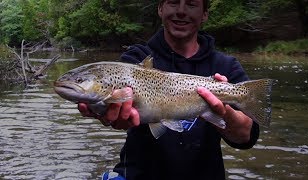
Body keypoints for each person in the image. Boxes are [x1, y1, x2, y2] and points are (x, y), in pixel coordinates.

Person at [78, 0, 259, 179]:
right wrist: (109, 113)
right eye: (173, 2)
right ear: (160, 9)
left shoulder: (226, 66)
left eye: (191, 4)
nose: (181, 11)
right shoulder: (136, 60)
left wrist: (223, 113)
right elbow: (116, 106)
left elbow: (246, 137)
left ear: (205, 14)